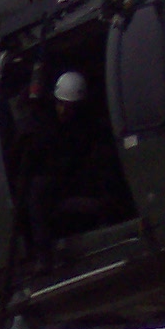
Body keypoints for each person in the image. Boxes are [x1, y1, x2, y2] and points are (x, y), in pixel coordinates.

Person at [14, 67, 115, 268]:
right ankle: (44, 256)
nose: (63, 110)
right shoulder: (42, 121)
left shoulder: (84, 128)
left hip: (72, 178)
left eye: (68, 107)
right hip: (50, 182)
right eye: (60, 104)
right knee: (37, 193)